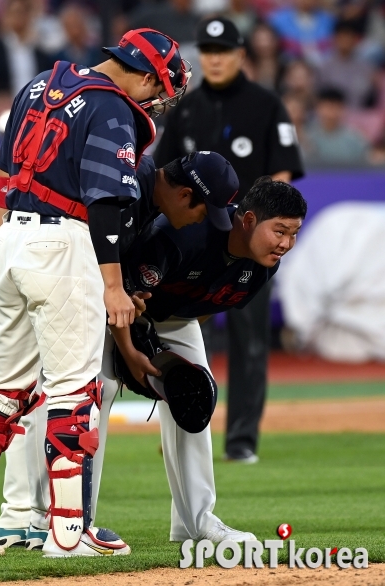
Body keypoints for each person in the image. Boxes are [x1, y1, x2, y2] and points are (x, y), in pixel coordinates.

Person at [0, 27, 190, 558]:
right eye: (158, 87)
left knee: (4, 389)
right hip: (65, 243)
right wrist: (114, 285)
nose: (157, 100)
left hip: (11, 240)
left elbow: (1, 180)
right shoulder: (114, 110)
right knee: (75, 391)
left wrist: (4, 244)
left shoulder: (39, 84)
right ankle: (68, 533)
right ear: (142, 73)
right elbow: (106, 204)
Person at [0, 150, 240, 550]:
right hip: (52, 267)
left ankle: (28, 519)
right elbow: (89, 245)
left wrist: (125, 294)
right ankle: (52, 522)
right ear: (183, 195)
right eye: (203, 211)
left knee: (43, 389)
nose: (202, 221)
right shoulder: (130, 185)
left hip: (41, 259)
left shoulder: (144, 192)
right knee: (69, 391)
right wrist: (125, 338)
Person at [95, 173, 307, 544]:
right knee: (98, 394)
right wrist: (131, 352)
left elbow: (209, 306)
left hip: (176, 317)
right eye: (280, 231)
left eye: (294, 234)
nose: (286, 244)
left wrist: (171, 357)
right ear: (248, 220)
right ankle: (74, 521)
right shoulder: (183, 235)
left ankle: (197, 523)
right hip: (113, 307)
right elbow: (120, 291)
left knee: (195, 398)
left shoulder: (264, 263)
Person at [153, 17, 304, 464]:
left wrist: (264, 234)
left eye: (224, 51)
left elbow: (283, 177)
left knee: (250, 341)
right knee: (186, 337)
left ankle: (241, 439)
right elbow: (164, 178)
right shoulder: (185, 107)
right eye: (208, 51)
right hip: (197, 245)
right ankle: (184, 423)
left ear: (241, 55)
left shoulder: (266, 105)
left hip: (248, 247)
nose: (215, 59)